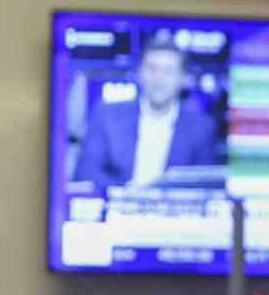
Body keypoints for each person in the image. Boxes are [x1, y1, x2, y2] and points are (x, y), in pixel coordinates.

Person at [73, 35, 221, 189]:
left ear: (182, 78)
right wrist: (127, 193)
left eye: (168, 71)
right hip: (118, 207)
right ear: (140, 73)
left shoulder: (201, 127)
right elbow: (85, 173)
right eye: (152, 69)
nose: (159, 79)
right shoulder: (107, 115)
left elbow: (205, 187)